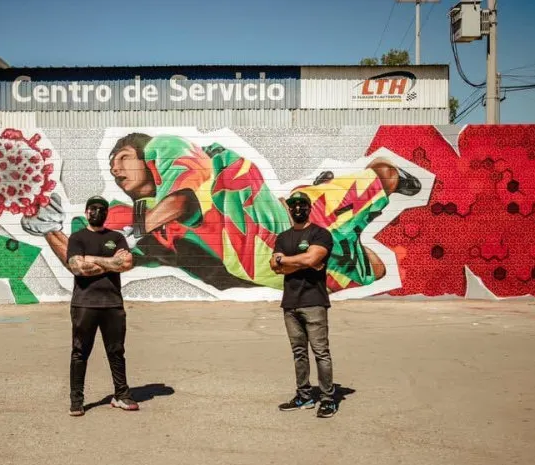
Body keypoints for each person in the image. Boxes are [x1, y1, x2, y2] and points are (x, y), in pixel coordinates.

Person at [94, 132, 421, 293]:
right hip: (263, 267)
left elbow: (183, 201)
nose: (115, 169)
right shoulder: (148, 215)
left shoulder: (162, 148)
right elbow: (120, 258)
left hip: (260, 225)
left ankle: (373, 179)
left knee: (385, 177)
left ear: (144, 157)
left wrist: (133, 232)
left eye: (123, 158)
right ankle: (317, 200)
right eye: (112, 166)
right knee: (374, 271)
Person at [62, 195, 137, 416]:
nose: (97, 212)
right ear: (87, 212)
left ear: (107, 214)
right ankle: (77, 401)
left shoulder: (116, 237)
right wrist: (111, 262)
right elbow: (78, 268)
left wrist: (91, 259)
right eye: (93, 208)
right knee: (80, 352)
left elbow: (126, 263)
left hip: (112, 303)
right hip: (84, 303)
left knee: (116, 351)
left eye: (102, 209)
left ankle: (121, 395)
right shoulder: (77, 238)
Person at [270, 191, 338, 419]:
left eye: (302, 204)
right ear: (289, 209)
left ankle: (327, 399)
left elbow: (311, 258)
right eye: (294, 205)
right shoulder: (283, 237)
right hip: (290, 303)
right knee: (299, 353)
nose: (297, 208)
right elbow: (274, 265)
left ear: (309, 208)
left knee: (321, 353)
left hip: (314, 301)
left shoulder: (320, 234)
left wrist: (287, 261)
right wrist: (303, 262)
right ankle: (304, 396)